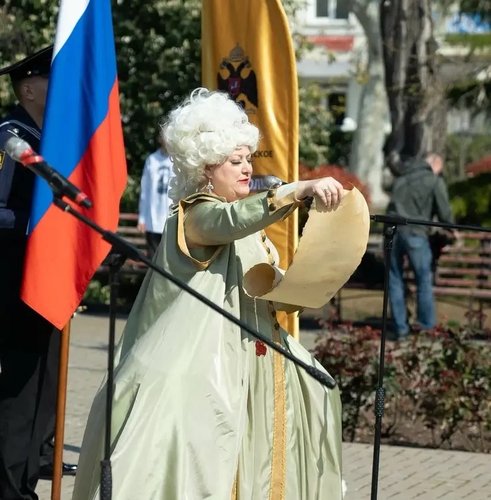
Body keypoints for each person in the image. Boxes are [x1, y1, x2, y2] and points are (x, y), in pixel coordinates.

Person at [72, 88, 345, 499]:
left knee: (318, 390)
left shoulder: (248, 224)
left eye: (248, 159)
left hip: (254, 355)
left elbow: (260, 283)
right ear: (204, 168)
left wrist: (299, 284)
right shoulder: (196, 214)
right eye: (235, 161)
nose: (247, 168)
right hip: (206, 359)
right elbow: (229, 220)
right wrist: (297, 190)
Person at [0, 46, 76, 500]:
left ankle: (26, 477)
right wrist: (41, 226)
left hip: (43, 271)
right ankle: (11, 486)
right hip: (15, 273)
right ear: (28, 89)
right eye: (50, 78)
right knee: (23, 386)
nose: (60, 85)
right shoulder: (11, 138)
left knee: (46, 385)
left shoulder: (49, 139)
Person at [387, 152, 454, 340]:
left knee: (394, 279)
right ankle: (426, 327)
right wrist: (452, 229)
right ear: (435, 163)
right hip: (416, 232)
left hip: (392, 232)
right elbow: (444, 212)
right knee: (423, 279)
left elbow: (390, 206)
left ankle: (400, 329)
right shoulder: (433, 180)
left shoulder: (401, 178)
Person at [137, 134, 173, 258]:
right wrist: (142, 218)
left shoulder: (177, 160)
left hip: (171, 220)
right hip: (152, 219)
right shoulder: (152, 160)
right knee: (153, 259)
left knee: (169, 259)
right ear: (160, 139)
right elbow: (145, 190)